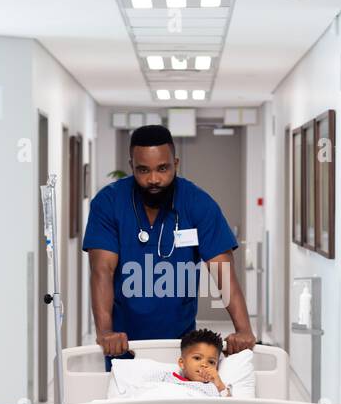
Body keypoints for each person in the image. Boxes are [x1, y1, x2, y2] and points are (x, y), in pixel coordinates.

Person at [83, 124, 256, 365]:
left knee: (178, 400)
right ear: (132, 166)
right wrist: (105, 332)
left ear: (176, 163)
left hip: (181, 343)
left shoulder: (198, 204)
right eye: (143, 170)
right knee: (126, 402)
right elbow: (102, 271)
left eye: (162, 168)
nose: (153, 179)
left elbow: (223, 272)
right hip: (124, 344)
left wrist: (243, 329)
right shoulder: (109, 203)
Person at [163, 328, 235, 397]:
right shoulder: (166, 378)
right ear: (182, 363)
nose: (204, 365)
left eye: (211, 362)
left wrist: (219, 384)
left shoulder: (215, 387)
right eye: (197, 358)